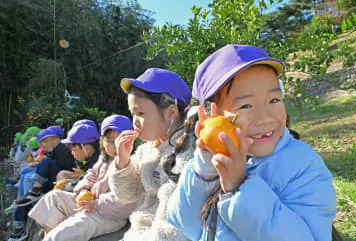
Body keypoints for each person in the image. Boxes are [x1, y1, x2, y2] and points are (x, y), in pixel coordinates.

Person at [166, 44, 337, 241]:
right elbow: (185, 223)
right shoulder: (210, 165)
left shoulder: (303, 165)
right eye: (246, 105)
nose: (264, 117)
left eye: (273, 100)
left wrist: (239, 187)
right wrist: (205, 172)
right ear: (215, 116)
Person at [107, 68, 195, 241]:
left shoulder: (187, 153)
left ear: (171, 112)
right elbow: (128, 195)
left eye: (141, 113)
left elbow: (176, 225)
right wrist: (122, 162)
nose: (135, 122)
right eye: (132, 114)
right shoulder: (147, 149)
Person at [28, 115, 138, 241]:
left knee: (61, 234)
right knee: (53, 198)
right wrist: (83, 190)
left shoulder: (133, 163)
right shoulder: (105, 159)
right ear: (102, 140)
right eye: (109, 140)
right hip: (91, 203)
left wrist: (95, 204)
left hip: (109, 215)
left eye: (120, 140)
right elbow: (91, 175)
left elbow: (125, 201)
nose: (115, 145)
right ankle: (48, 235)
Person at [8, 125, 75, 241]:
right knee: (26, 174)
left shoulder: (61, 148)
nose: (43, 144)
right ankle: (19, 222)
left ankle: (19, 227)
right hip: (52, 179)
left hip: (56, 181)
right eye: (42, 142)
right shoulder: (55, 150)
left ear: (57, 139)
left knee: (30, 179)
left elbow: (62, 168)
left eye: (46, 141)